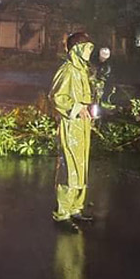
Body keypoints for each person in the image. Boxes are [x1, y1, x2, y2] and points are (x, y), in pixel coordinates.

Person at [50, 32, 95, 232]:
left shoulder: (82, 70)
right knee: (69, 168)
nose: (88, 52)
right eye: (85, 47)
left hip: (83, 127)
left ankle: (76, 208)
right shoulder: (67, 70)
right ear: (76, 49)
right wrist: (77, 109)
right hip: (70, 126)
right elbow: (56, 97)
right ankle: (63, 214)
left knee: (81, 167)